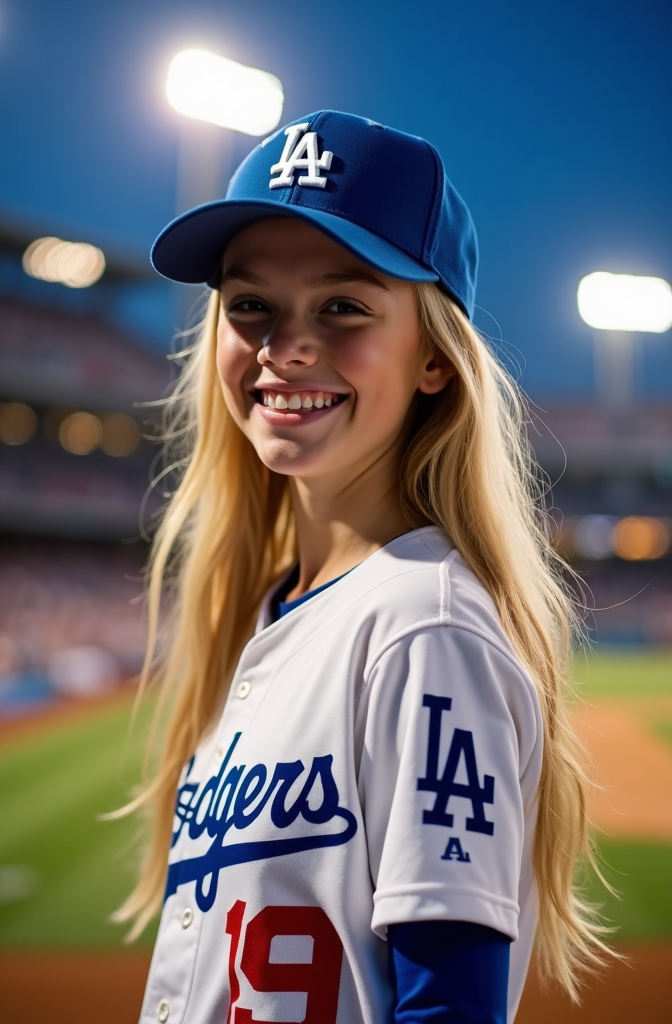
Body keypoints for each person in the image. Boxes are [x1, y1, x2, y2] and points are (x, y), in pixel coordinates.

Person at [117, 111, 608, 1024]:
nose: (284, 345)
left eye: (342, 306)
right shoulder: (264, 609)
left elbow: (449, 1008)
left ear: (432, 358)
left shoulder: (426, 629)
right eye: (250, 303)